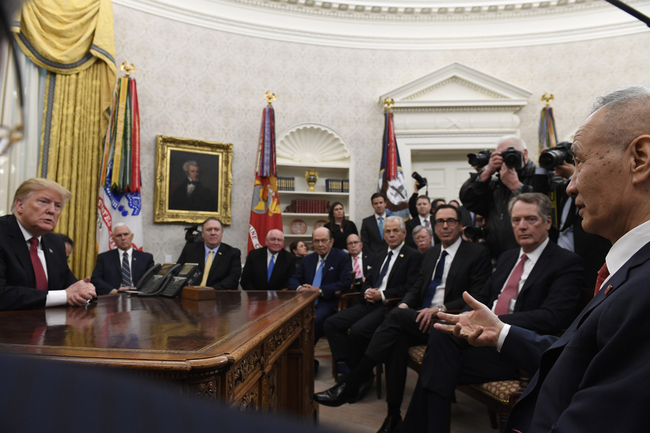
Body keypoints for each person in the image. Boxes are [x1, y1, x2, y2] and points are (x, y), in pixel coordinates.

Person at [433, 85, 650, 433]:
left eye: (579, 162)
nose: (570, 185)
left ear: (639, 158)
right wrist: (502, 331)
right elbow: (582, 353)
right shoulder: (626, 267)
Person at [400, 193, 585, 432]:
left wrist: (495, 324)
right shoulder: (508, 257)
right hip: (478, 342)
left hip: (514, 349)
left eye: (530, 219)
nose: (522, 226)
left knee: (436, 365)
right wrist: (467, 319)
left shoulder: (566, 262)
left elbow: (553, 316)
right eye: (516, 220)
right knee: (441, 348)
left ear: (548, 222)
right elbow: (481, 299)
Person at [314, 205, 492, 433]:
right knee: (397, 339)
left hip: (452, 322)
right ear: (434, 226)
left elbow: (477, 296)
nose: (445, 226)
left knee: (395, 318)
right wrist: (407, 304)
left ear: (460, 224)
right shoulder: (432, 253)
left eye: (450, 221)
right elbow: (417, 287)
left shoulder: (476, 253)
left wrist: (440, 309)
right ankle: (393, 415)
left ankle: (352, 382)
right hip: (421, 319)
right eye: (440, 222)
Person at [323, 216, 422, 374]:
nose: (391, 234)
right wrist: (367, 291)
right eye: (387, 231)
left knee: (358, 331)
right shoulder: (379, 253)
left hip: (387, 307)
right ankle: (356, 369)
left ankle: (359, 375)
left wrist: (382, 295)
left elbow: (410, 288)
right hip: (367, 303)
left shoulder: (413, 256)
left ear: (404, 233)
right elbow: (368, 280)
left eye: (395, 231)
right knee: (331, 324)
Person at [0, 178, 96, 310]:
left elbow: (69, 284)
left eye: (58, 206)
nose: (52, 211)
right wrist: (64, 296)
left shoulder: (55, 243)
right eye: (43, 202)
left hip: (50, 326)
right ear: (20, 205)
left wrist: (85, 290)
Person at [537, 144, 611, 287]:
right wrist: (543, 166)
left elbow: (589, 198)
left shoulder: (591, 186)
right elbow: (538, 198)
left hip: (588, 262)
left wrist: (575, 174)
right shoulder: (562, 188)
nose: (572, 189)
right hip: (561, 262)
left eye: (580, 162)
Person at [460, 135, 538, 259]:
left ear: (525, 153)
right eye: (504, 155)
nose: (509, 158)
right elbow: (468, 200)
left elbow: (541, 210)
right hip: (499, 257)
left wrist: (515, 186)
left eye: (513, 153)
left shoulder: (540, 176)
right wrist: (487, 173)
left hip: (532, 256)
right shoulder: (496, 183)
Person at [288, 227, 352, 344]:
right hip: (305, 301)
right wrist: (300, 288)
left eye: (324, 240)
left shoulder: (341, 257)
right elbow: (293, 279)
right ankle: (297, 358)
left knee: (313, 320)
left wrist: (319, 290)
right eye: (316, 241)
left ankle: (306, 358)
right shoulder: (308, 259)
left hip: (328, 302)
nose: (320, 244)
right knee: (287, 320)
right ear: (312, 243)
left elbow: (346, 282)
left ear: (331, 241)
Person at [177, 217, 241, 291]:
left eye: (216, 230)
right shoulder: (190, 249)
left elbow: (233, 279)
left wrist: (211, 289)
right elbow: (179, 273)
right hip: (191, 294)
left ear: (222, 233)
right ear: (203, 234)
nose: (213, 233)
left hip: (218, 296)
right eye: (209, 230)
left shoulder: (232, 253)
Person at [91, 223, 155, 295]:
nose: (123, 238)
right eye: (119, 235)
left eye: (126, 234)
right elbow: (95, 279)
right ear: (113, 239)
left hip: (138, 297)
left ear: (132, 236)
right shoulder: (104, 258)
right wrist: (113, 291)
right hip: (113, 299)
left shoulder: (146, 258)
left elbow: (152, 280)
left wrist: (139, 289)